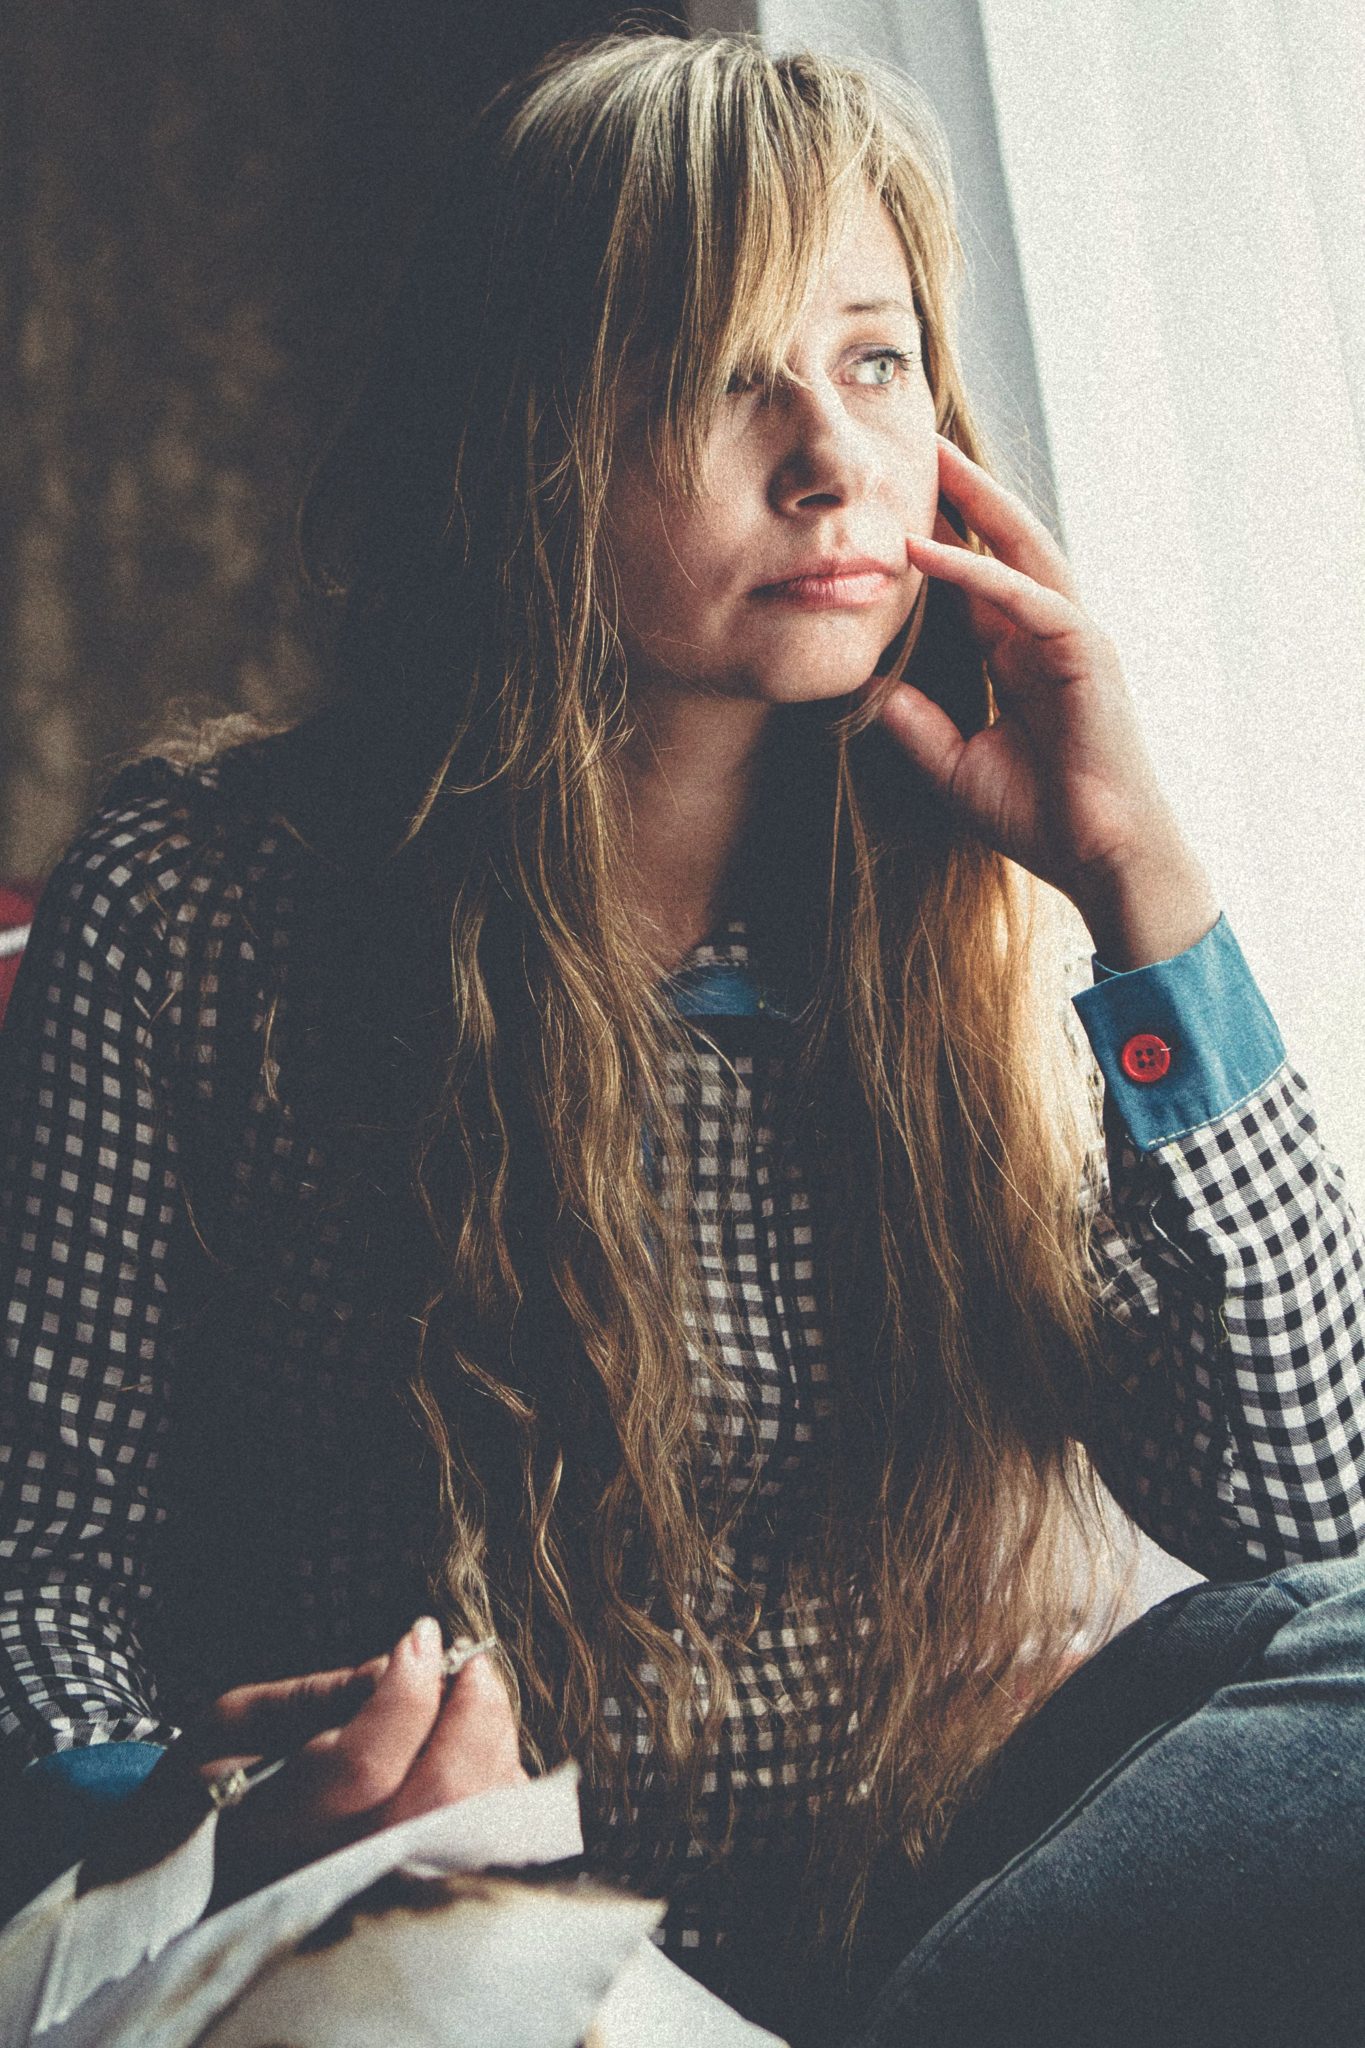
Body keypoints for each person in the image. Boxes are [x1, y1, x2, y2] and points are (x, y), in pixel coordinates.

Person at [0, 25, 1362, 2048]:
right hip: (449, 1942)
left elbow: (1306, 1506)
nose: (828, 457)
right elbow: (43, 1566)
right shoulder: (208, 900)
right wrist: (224, 1829)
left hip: (928, 1949)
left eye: (873, 362)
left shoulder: (971, 913)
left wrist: (1134, 878)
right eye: (726, 373)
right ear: (525, 429)